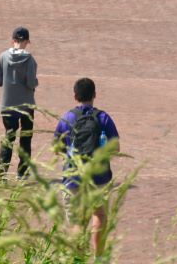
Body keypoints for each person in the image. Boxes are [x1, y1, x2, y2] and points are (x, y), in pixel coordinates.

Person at [55, 77, 120, 257]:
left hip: (73, 176)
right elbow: (116, 147)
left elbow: (57, 148)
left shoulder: (67, 118)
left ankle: (77, 259)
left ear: (75, 96)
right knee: (98, 215)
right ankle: (98, 257)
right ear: (94, 95)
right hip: (99, 177)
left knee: (76, 222)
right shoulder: (103, 118)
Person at [0, 26, 38, 178]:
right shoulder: (30, 60)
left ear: (13, 41)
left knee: (8, 138)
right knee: (25, 139)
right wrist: (36, 82)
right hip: (26, 105)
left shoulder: (2, 57)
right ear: (27, 41)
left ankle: (1, 173)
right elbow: (31, 83)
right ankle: (22, 173)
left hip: (7, 104)